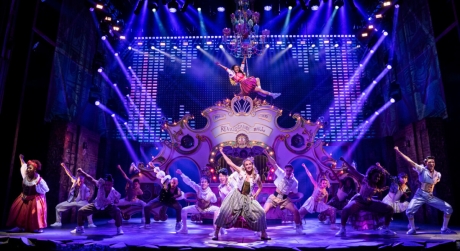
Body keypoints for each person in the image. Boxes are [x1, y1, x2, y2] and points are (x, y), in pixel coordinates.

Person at [213, 147, 271, 241]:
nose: (248, 166)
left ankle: (264, 234)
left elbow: (260, 186)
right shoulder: (241, 172)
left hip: (248, 198)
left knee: (261, 212)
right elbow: (229, 162)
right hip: (236, 195)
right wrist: (221, 152)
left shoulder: (256, 176)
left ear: (252, 165)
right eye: (246, 164)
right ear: (244, 166)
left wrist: (256, 194)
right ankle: (216, 233)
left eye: (249, 164)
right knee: (224, 211)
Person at [394, 146, 455, 235]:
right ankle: (412, 228)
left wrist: (430, 192)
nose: (432, 163)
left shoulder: (437, 174)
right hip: (420, 194)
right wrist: (398, 152)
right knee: (409, 211)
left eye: (433, 162)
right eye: (429, 162)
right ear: (426, 163)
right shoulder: (421, 169)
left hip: (430, 196)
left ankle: (444, 228)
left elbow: (433, 184)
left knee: (449, 208)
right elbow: (409, 161)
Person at [335, 162, 395, 237]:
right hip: (359, 200)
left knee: (390, 209)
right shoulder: (364, 179)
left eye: (379, 177)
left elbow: (375, 191)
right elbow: (353, 170)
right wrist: (344, 161)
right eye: (376, 176)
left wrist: (381, 190)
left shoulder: (376, 185)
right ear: (371, 174)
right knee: (345, 210)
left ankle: (385, 229)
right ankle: (342, 230)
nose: (378, 178)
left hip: (369, 202)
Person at [262, 150, 303, 234]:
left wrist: (288, 195)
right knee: (263, 211)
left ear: (292, 171)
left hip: (284, 199)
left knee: (296, 211)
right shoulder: (281, 173)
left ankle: (298, 228)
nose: (288, 172)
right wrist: (266, 154)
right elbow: (274, 163)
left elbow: (294, 192)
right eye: (287, 170)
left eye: (290, 171)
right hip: (274, 196)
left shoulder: (295, 181)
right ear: (285, 170)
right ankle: (260, 229)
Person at [71, 169, 123, 235]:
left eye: (109, 185)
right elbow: (91, 178)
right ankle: (80, 228)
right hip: (97, 204)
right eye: (106, 184)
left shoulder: (114, 192)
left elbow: (116, 201)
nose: (107, 186)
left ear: (112, 185)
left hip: (108, 206)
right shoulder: (100, 185)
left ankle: (119, 228)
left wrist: (116, 200)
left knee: (117, 211)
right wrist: (82, 172)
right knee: (81, 211)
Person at [7, 154, 49, 233]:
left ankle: (36, 227)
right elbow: (23, 165)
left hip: (33, 198)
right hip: (24, 197)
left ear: (35, 170)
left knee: (34, 213)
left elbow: (45, 190)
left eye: (30, 168)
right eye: (28, 167)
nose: (27, 169)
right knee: (20, 212)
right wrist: (21, 159)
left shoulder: (39, 180)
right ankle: (19, 226)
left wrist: (38, 192)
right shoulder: (25, 175)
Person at [50, 163, 96, 228]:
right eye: (79, 181)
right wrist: (64, 166)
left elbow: (88, 195)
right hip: (71, 201)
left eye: (82, 181)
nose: (80, 183)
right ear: (77, 180)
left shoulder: (85, 187)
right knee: (58, 207)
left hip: (81, 201)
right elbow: (69, 174)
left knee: (89, 208)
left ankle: (90, 223)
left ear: (83, 181)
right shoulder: (75, 181)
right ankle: (58, 222)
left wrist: (87, 197)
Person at [176, 169, 220, 234]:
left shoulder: (210, 192)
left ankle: (217, 230)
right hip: (198, 208)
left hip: (208, 208)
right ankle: (184, 228)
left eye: (205, 182)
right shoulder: (198, 188)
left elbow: (214, 201)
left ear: (208, 184)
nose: (203, 183)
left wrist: (212, 196)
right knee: (184, 210)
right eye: (202, 182)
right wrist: (181, 174)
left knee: (218, 210)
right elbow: (190, 182)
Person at [216, 56, 281, 99]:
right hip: (245, 84)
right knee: (257, 83)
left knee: (259, 84)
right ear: (233, 69)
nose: (237, 68)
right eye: (235, 68)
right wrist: (219, 65)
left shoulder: (240, 71)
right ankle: (264, 93)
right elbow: (226, 69)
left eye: (237, 67)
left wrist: (244, 57)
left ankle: (272, 94)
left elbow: (242, 64)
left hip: (248, 81)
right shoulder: (232, 73)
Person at [298, 163, 339, 230]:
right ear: (320, 183)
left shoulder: (326, 193)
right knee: (299, 212)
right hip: (311, 202)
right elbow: (310, 176)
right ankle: (299, 225)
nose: (324, 184)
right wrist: (305, 167)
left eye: (325, 183)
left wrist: (325, 211)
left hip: (319, 204)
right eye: (323, 183)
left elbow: (325, 202)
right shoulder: (316, 185)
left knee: (333, 209)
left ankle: (333, 225)